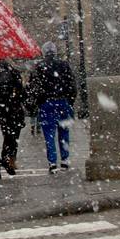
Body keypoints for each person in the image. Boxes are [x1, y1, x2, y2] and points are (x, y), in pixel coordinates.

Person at [29, 42, 77, 173]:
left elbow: (34, 88)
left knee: (49, 134)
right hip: (62, 101)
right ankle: (65, 160)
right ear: (55, 52)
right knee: (64, 133)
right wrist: (70, 100)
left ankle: (52, 162)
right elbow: (72, 85)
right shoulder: (64, 65)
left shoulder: (39, 67)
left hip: (47, 104)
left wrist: (39, 101)